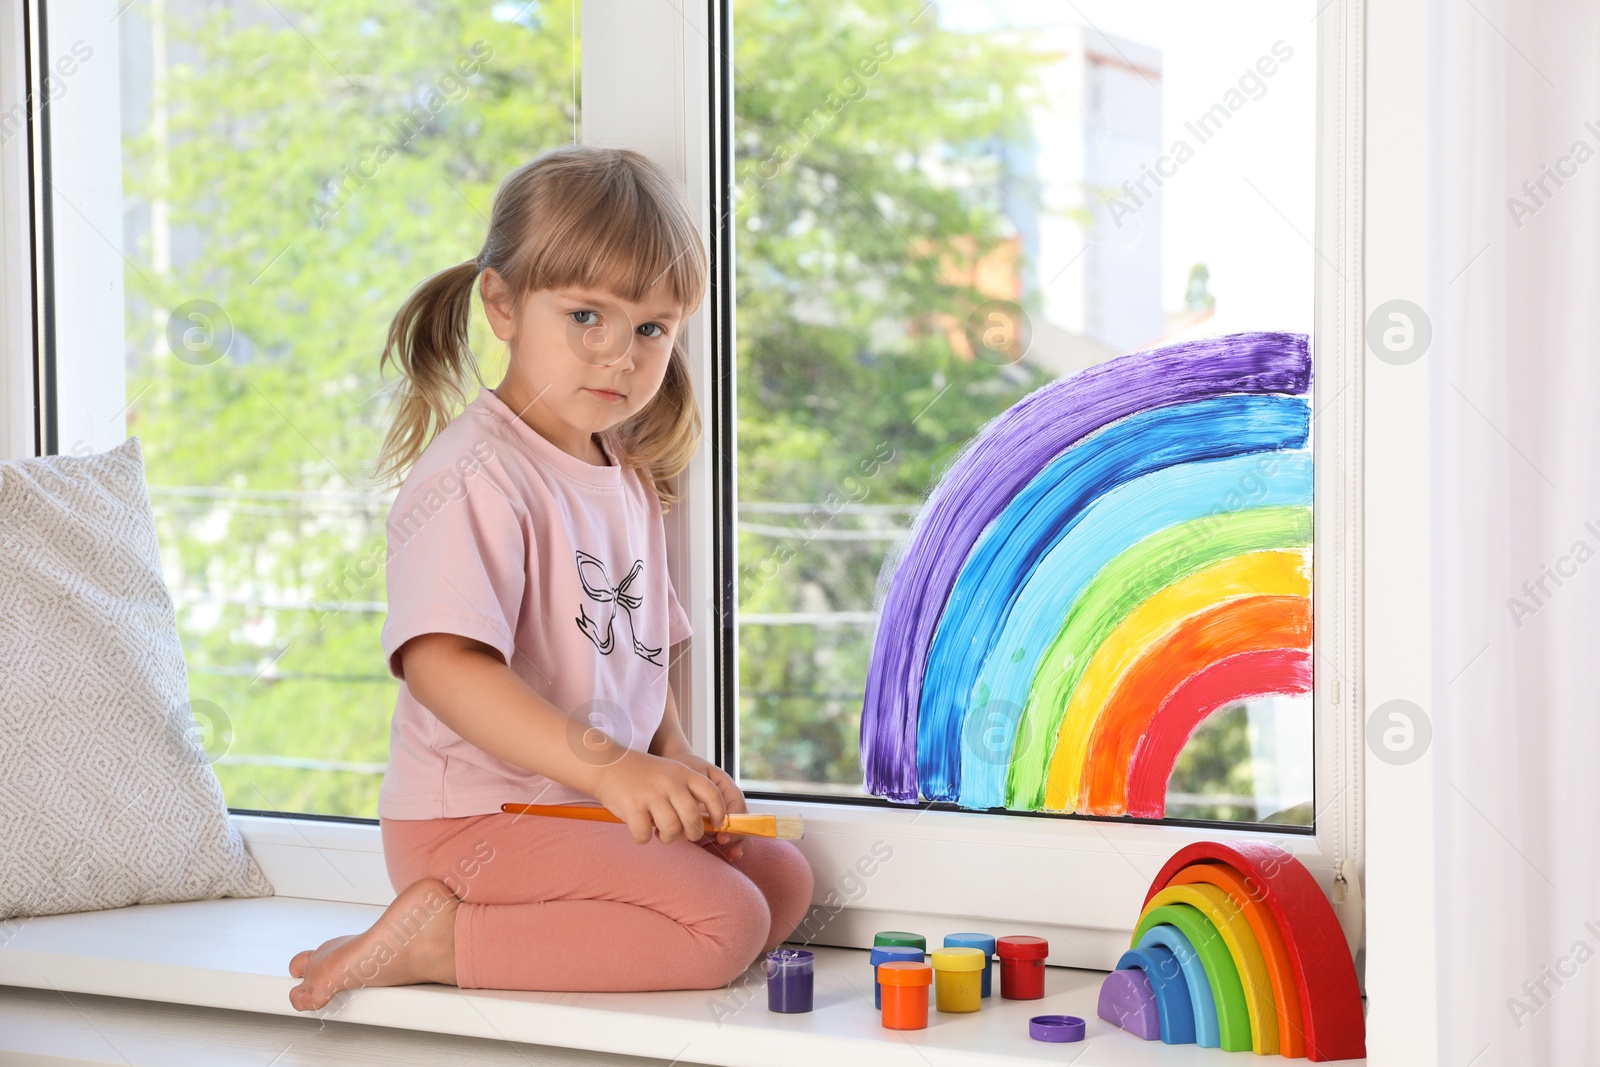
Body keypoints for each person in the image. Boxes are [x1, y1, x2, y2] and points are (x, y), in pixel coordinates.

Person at [287, 144, 814, 1010]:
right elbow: (443, 666)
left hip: (578, 811)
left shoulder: (627, 474)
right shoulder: (475, 474)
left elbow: (647, 650)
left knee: (782, 883)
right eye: (586, 317)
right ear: (502, 303)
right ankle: (439, 939)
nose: (619, 356)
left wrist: (673, 761)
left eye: (651, 329)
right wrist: (611, 771)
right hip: (475, 825)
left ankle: (508, 927)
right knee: (721, 924)